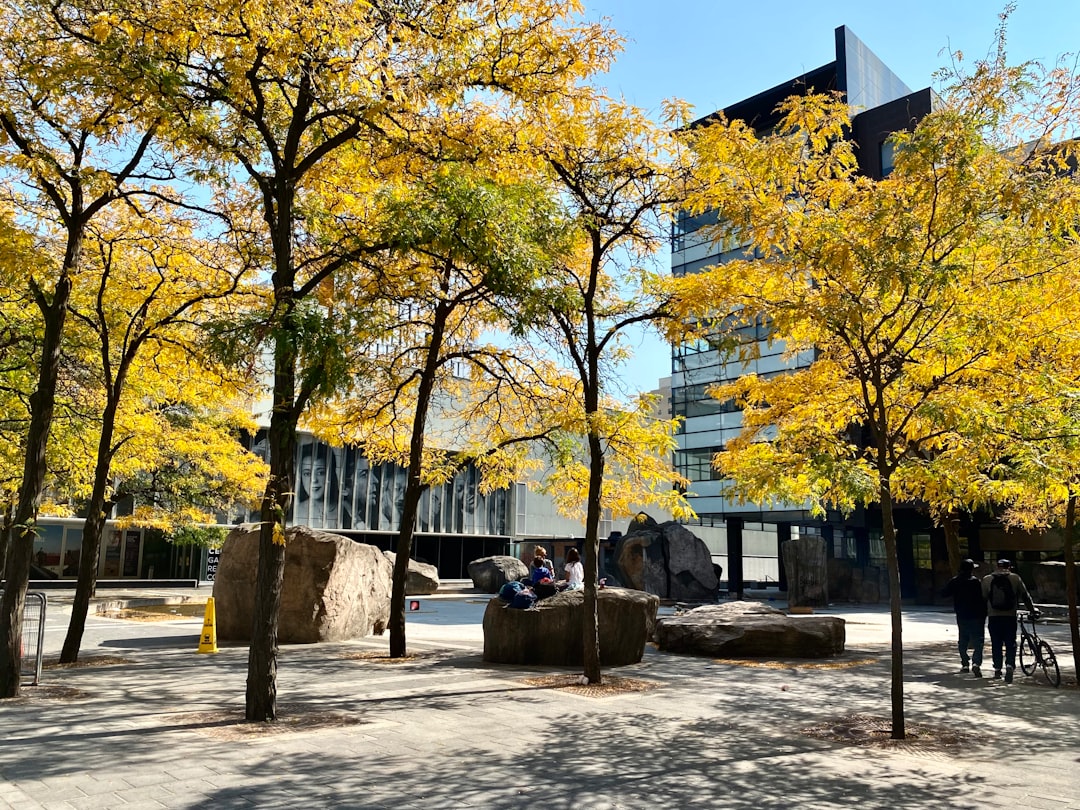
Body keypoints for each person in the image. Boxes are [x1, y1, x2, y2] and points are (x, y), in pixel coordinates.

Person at [982, 558, 1035, 683]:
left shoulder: (987, 579)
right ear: (1009, 567)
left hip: (993, 616)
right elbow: (1025, 596)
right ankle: (1010, 665)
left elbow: (983, 599)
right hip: (1010, 616)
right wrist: (1032, 610)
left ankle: (997, 669)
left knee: (996, 643)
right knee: (1010, 642)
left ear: (997, 566)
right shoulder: (1015, 578)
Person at [939, 558, 986, 677]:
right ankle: (976, 663)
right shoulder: (976, 582)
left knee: (963, 639)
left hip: (962, 615)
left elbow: (943, 593)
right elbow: (983, 598)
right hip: (977, 615)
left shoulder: (955, 581)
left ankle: (965, 663)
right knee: (978, 640)